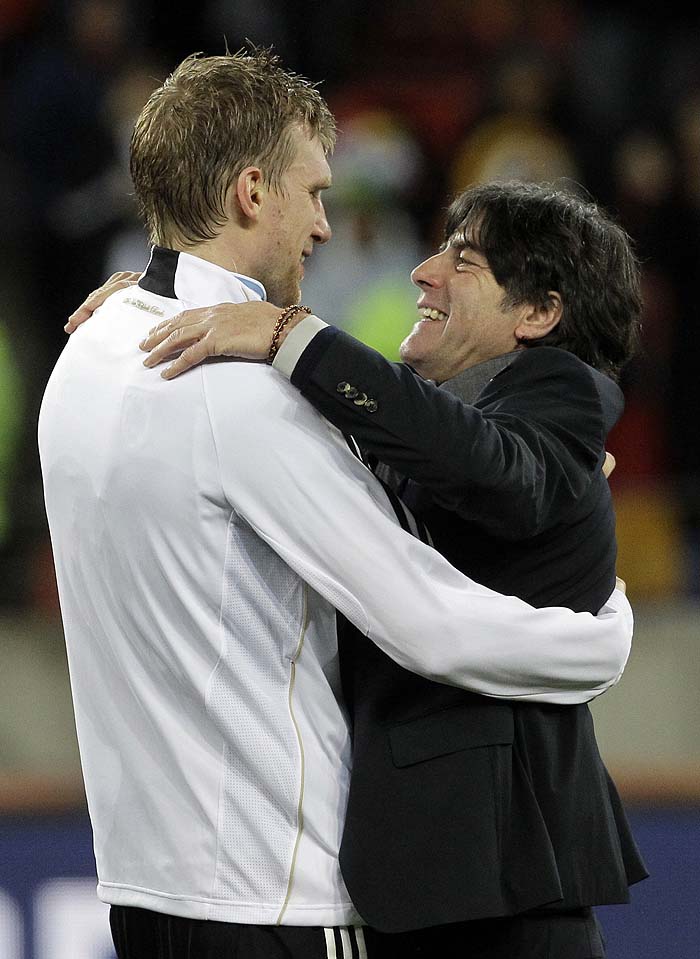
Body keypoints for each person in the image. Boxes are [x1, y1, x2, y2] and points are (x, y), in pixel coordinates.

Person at [74, 178, 649, 958]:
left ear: (538, 313)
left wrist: (292, 332)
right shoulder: (435, 417)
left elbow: (495, 473)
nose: (424, 271)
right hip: (431, 884)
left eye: (465, 259)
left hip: (505, 890)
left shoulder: (562, 399)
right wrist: (156, 306)